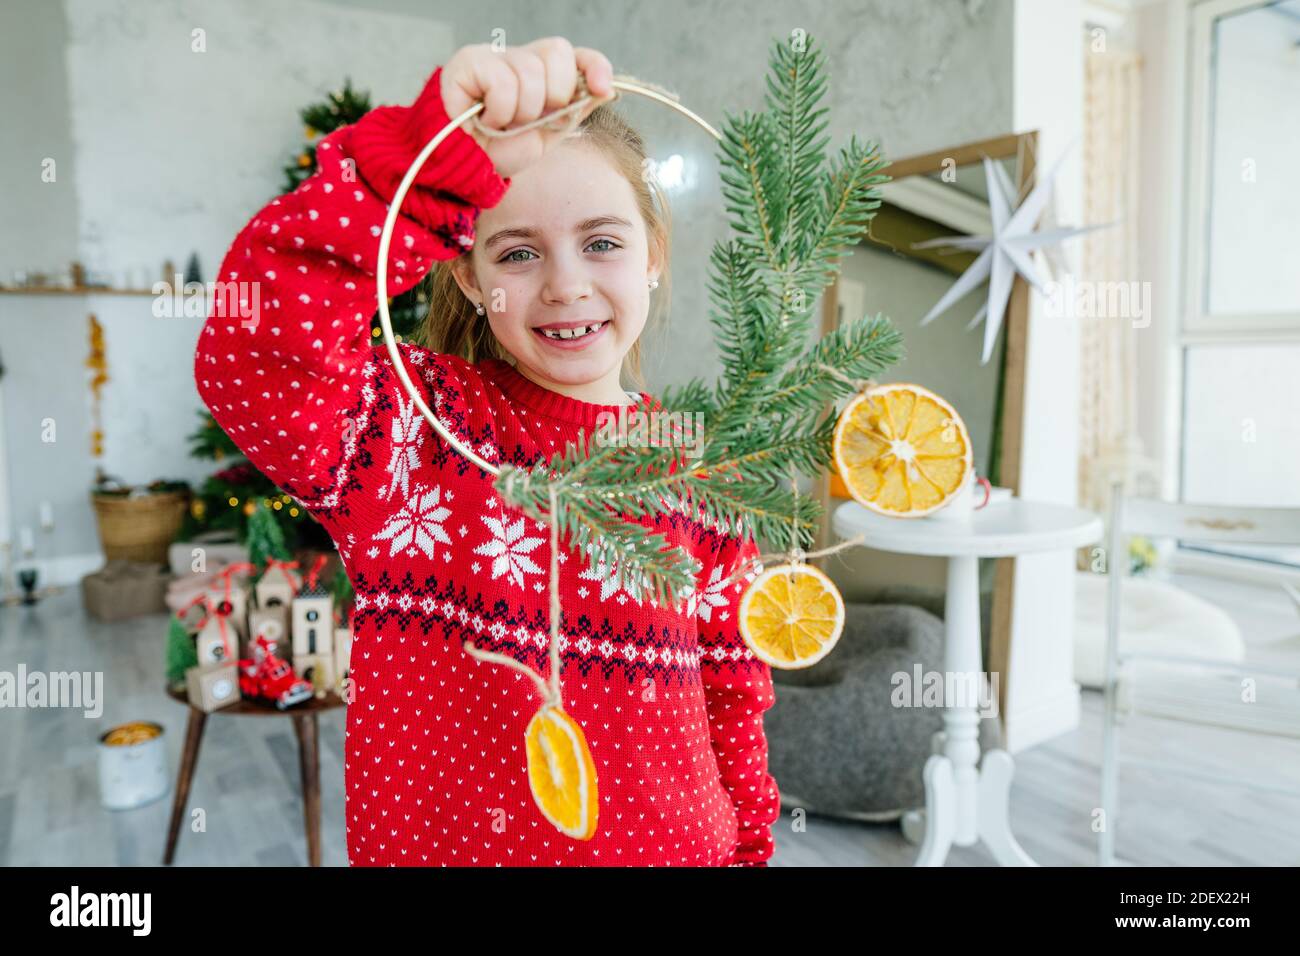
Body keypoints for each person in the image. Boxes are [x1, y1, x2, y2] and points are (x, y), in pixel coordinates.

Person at [194, 36, 779, 866]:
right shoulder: (415, 433)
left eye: (603, 243)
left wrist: (751, 849)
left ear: (653, 255)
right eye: (518, 252)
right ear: (469, 275)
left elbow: (730, 690)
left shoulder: (700, 469)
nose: (567, 284)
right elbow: (256, 358)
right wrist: (412, 173)